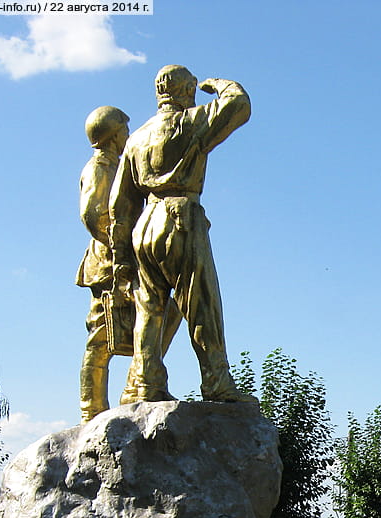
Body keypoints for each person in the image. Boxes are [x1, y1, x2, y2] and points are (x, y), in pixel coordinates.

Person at [109, 65, 254, 404]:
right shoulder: (190, 122)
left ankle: (146, 383)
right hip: (180, 218)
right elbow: (238, 104)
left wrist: (122, 260)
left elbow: (120, 205)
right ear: (187, 90)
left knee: (149, 308)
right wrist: (217, 83)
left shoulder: (136, 138)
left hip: (145, 225)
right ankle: (216, 381)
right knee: (202, 303)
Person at [75, 105, 132, 422]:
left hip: (124, 258)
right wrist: (120, 242)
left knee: (148, 323)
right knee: (100, 336)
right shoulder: (100, 167)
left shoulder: (116, 166)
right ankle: (91, 409)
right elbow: (93, 214)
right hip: (108, 261)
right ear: (112, 135)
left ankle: (134, 390)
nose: (127, 135)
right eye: (124, 129)